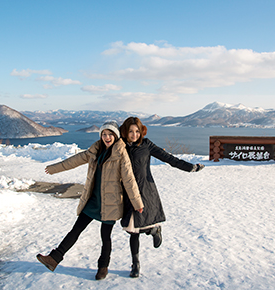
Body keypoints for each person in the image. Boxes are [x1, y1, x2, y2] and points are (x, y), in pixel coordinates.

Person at [36, 120, 144, 280]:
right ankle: (54, 258)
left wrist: (137, 203)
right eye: (104, 134)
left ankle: (103, 267)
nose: (107, 137)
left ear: (115, 135)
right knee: (76, 229)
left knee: (105, 237)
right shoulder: (95, 150)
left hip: (111, 203)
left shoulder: (121, 153)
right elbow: (74, 160)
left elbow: (129, 179)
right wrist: (54, 168)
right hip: (93, 200)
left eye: (110, 134)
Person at [119, 117, 205, 278]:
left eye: (137, 131)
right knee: (132, 231)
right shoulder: (120, 145)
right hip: (127, 192)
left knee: (136, 227)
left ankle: (152, 231)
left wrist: (191, 167)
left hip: (145, 190)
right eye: (130, 131)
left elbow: (169, 159)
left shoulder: (147, 145)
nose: (134, 134)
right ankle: (136, 262)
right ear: (125, 131)